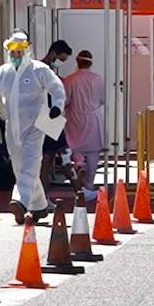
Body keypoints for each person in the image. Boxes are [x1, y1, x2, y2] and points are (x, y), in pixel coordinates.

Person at [0, 31, 66, 224]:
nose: (17, 55)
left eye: (20, 51)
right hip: (12, 126)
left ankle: (19, 200)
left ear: (27, 50)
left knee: (31, 163)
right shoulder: (3, 72)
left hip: (36, 125)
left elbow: (57, 88)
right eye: (13, 52)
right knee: (19, 167)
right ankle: (39, 206)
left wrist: (57, 107)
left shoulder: (39, 70)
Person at [63, 49, 106, 204]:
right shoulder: (98, 79)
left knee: (76, 148)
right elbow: (102, 99)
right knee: (93, 153)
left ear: (77, 62)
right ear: (91, 62)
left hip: (74, 118)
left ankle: (79, 165)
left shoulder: (69, 80)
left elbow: (65, 101)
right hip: (93, 118)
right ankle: (89, 184)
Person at [40, 40, 74, 190]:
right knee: (53, 156)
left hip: (49, 116)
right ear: (53, 54)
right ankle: (79, 190)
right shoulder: (42, 70)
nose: (61, 63)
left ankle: (78, 189)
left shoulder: (47, 70)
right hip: (47, 117)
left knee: (52, 156)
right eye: (61, 59)